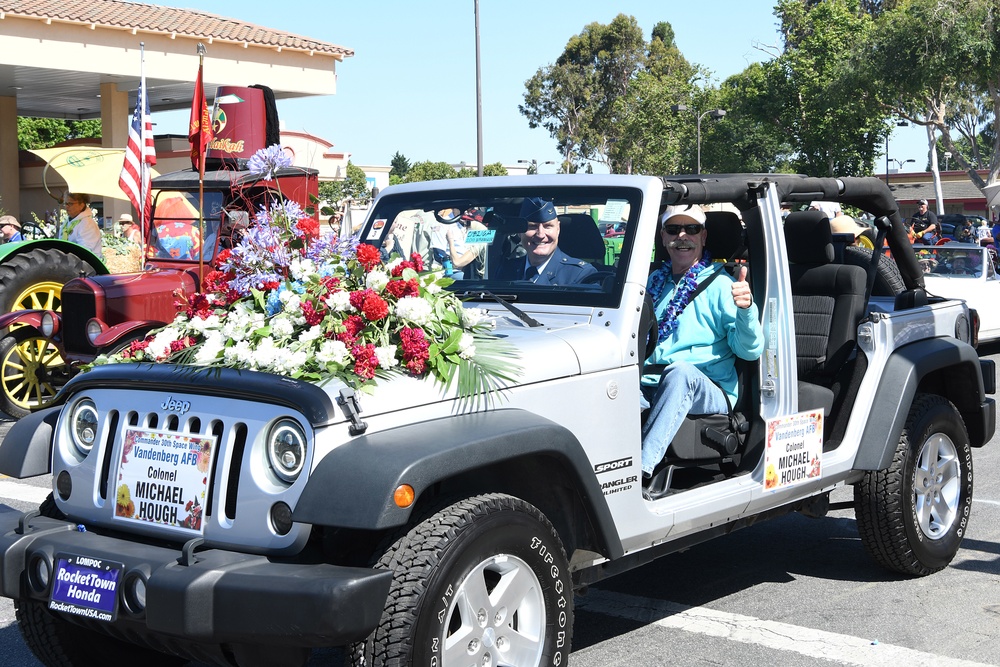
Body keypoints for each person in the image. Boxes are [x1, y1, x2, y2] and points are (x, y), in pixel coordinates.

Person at [640, 205, 764, 486]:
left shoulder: (723, 285)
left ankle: (641, 471)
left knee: (680, 373)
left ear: (703, 236)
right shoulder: (651, 283)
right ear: (662, 237)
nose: (682, 236)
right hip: (649, 381)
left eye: (691, 229)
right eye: (673, 229)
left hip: (707, 386)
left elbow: (750, 350)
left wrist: (745, 309)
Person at [494, 197, 598, 285]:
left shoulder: (580, 275)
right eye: (532, 226)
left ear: (558, 229)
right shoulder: (506, 271)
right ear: (520, 231)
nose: (540, 235)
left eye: (548, 226)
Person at [62, 192, 103, 257]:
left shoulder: (87, 224)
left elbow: (83, 251)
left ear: (81, 205)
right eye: (65, 203)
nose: (66, 206)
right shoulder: (67, 222)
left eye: (70, 203)